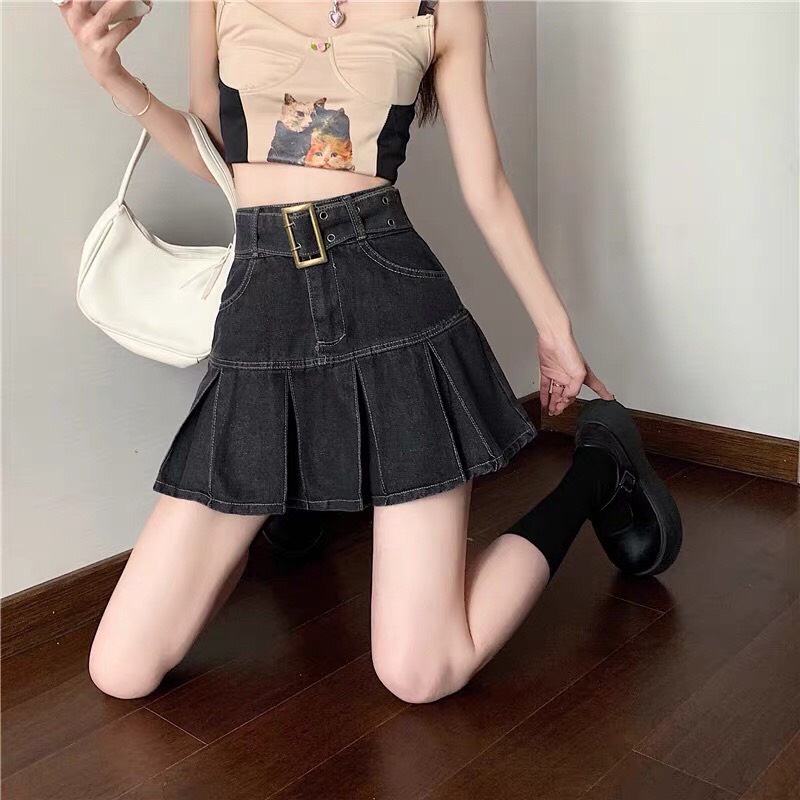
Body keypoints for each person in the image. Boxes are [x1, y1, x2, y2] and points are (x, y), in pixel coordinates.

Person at [59, 0, 681, 704]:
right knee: (121, 669)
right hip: (263, 312)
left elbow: (487, 186)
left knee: (422, 672)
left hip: (388, 298)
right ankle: (287, 498)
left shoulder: (445, 8)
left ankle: (599, 472)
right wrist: (113, 78)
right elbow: (217, 151)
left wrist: (554, 327)